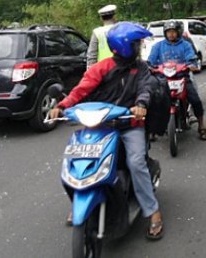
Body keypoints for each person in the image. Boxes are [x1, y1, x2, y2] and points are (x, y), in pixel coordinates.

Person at [49, 22, 164, 240]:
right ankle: (79, 199)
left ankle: (152, 211)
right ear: (125, 46)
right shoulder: (102, 68)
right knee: (76, 158)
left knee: (136, 162)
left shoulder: (140, 68)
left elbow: (146, 88)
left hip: (130, 125)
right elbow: (82, 89)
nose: (139, 47)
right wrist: (62, 106)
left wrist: (140, 104)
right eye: (136, 43)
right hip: (101, 125)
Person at [147, 20, 206, 141]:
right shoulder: (158, 46)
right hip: (163, 80)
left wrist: (192, 65)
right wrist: (150, 67)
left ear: (178, 32)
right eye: (168, 32)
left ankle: (201, 126)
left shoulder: (185, 45)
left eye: (173, 32)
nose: (171, 34)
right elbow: (151, 61)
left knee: (195, 100)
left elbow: (192, 58)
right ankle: (152, 129)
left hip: (182, 77)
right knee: (153, 101)